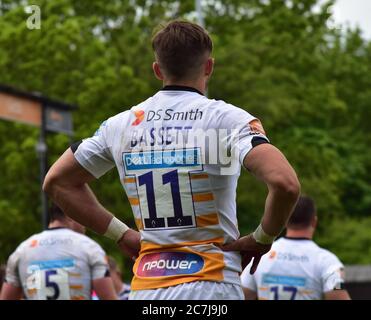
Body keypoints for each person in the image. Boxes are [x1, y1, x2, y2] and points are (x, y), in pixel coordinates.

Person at [43, 20, 300, 300]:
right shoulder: (227, 120)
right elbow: (285, 184)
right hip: (212, 285)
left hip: (147, 290)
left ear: (157, 70)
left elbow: (57, 183)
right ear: (209, 67)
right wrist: (262, 238)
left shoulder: (120, 125)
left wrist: (122, 234)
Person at [241, 196, 351, 300]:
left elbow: (240, 294)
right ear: (314, 221)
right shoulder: (328, 262)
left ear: (285, 220)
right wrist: (339, 279)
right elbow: (338, 291)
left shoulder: (261, 255)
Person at [0, 205, 117, 300]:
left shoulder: (22, 250)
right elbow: (108, 297)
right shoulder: (90, 247)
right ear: (70, 215)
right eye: (83, 217)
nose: (86, 225)